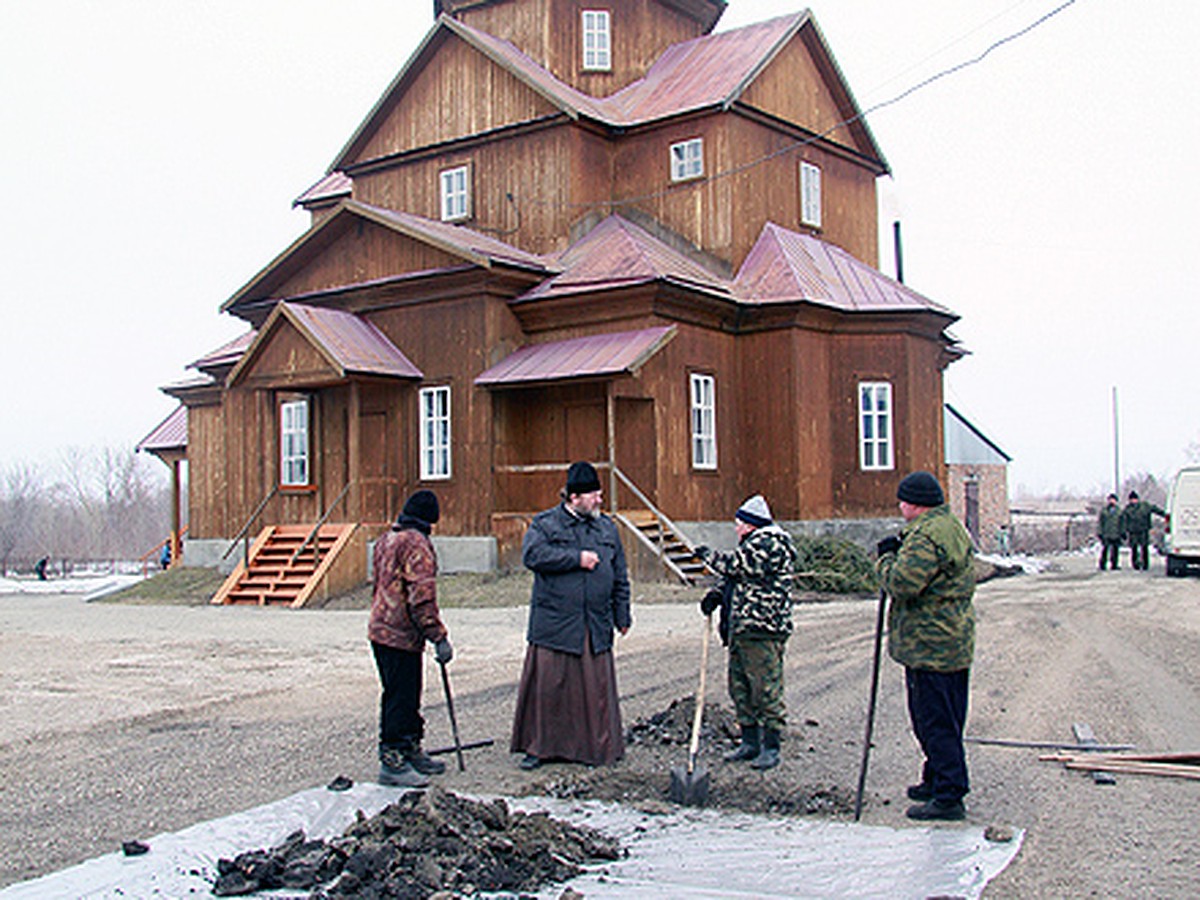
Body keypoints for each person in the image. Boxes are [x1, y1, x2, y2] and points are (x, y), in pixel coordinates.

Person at [510, 461, 631, 770]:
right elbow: (532, 556)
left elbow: (620, 574)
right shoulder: (545, 524)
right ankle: (540, 748)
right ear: (574, 497)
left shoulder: (606, 527)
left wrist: (622, 614)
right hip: (554, 624)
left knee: (595, 691)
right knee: (550, 689)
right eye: (594, 495)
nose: (600, 501)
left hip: (595, 623)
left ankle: (595, 748)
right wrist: (575, 559)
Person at [876, 471, 976, 821]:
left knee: (933, 719)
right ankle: (936, 778)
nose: (900, 506)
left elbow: (903, 584)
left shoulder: (926, 536)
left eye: (903, 500)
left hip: (931, 645)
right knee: (946, 715)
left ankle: (949, 794)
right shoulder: (949, 526)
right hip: (951, 641)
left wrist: (886, 559)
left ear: (915, 503)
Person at [697, 494, 797, 770]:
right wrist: (716, 595)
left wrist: (709, 556)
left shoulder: (769, 544)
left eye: (739, 523)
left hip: (763, 629)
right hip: (741, 629)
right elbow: (734, 579)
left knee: (765, 688)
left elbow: (737, 566)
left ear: (752, 524)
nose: (736, 528)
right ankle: (749, 741)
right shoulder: (751, 544)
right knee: (740, 688)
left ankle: (771, 746)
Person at [369, 489, 453, 788]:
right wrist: (438, 636)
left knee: (403, 692)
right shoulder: (417, 545)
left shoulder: (386, 539)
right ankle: (392, 760)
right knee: (400, 696)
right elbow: (422, 597)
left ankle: (410, 749)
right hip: (400, 633)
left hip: (380, 629)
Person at [1121, 490, 1166, 571]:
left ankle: (1145, 564)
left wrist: (1165, 514)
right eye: (1131, 499)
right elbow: (1123, 521)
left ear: (1137, 499)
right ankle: (1135, 564)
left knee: (1144, 547)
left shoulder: (1145, 506)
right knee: (1134, 548)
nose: (1133, 501)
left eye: (1134, 499)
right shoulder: (1127, 509)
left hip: (1143, 530)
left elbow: (1155, 509)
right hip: (1132, 531)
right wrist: (1123, 531)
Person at [1096, 494, 1122, 570]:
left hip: (1116, 533)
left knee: (1115, 550)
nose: (1112, 501)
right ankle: (1102, 564)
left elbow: (1122, 522)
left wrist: (1122, 532)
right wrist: (1100, 532)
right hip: (1106, 533)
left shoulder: (1119, 511)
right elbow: (1100, 523)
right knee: (1105, 549)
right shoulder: (1104, 511)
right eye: (1110, 499)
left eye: (1113, 500)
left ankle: (1114, 564)